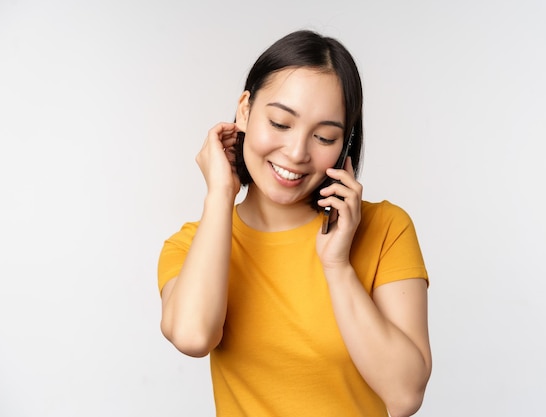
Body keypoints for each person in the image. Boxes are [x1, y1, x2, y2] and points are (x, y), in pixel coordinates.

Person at [157, 30, 431, 417]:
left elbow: (405, 396)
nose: (298, 152)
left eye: (324, 136)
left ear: (345, 145)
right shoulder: (193, 246)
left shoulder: (386, 228)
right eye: (281, 123)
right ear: (245, 111)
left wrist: (337, 267)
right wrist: (220, 193)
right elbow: (192, 336)